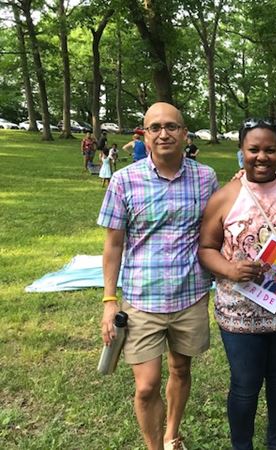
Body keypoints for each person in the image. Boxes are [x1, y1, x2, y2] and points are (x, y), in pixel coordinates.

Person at [98, 102, 219, 450]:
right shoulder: (124, 180)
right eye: (155, 128)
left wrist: (241, 186)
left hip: (191, 296)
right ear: (145, 135)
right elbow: (114, 244)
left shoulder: (206, 177)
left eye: (171, 127)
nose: (163, 133)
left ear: (184, 133)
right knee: (147, 385)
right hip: (141, 299)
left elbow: (220, 223)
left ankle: (171, 436)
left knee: (181, 369)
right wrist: (109, 301)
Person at [198, 118, 276, 450]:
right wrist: (231, 269)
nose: (262, 156)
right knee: (245, 384)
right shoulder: (225, 198)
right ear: (242, 151)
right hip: (238, 313)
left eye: (269, 149)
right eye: (254, 149)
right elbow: (206, 249)